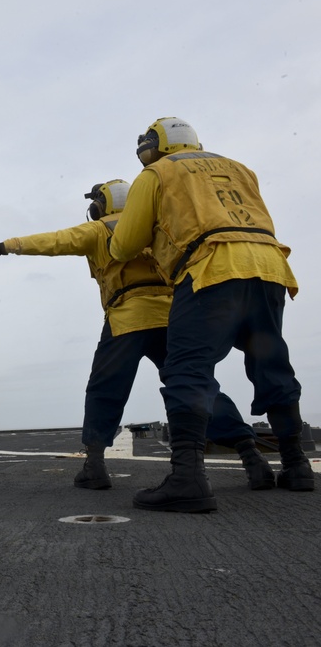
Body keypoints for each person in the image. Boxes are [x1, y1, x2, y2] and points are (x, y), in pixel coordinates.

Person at [0, 179, 272, 492]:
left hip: (127, 317)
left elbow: (55, 241)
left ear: (101, 205)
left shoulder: (99, 229)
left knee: (105, 389)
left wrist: (5, 246)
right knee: (198, 386)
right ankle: (251, 456)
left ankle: (95, 466)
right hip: (174, 317)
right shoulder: (160, 228)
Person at [110, 117, 313, 513]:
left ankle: (187, 478)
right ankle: (296, 465)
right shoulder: (240, 167)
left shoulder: (158, 172)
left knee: (187, 368)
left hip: (211, 270)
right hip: (269, 268)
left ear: (154, 145)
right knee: (271, 364)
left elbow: (124, 244)